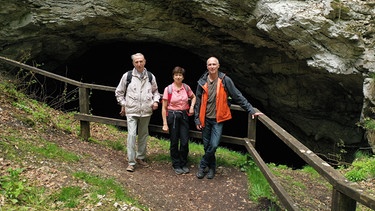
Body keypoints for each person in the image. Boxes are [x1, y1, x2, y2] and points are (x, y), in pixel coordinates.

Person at [194, 57, 263, 179]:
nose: (212, 67)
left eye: (214, 64)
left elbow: (237, 95)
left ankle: (202, 165)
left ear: (218, 65)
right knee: (206, 146)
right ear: (207, 66)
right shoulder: (202, 81)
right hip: (205, 118)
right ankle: (211, 168)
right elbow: (198, 102)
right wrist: (197, 119)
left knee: (214, 145)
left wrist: (250, 109)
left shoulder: (225, 80)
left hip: (218, 119)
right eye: (210, 64)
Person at [115, 53, 160, 172]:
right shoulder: (128, 76)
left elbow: (156, 92)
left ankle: (140, 157)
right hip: (132, 110)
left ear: (145, 61)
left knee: (143, 135)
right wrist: (123, 104)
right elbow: (119, 92)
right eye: (136, 62)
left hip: (146, 110)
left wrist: (155, 101)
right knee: (131, 135)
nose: (139, 64)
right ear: (133, 63)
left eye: (141, 61)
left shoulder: (150, 76)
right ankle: (131, 161)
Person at [161, 66, 196, 175]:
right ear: (173, 76)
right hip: (173, 116)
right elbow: (164, 107)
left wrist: (191, 107)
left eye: (180, 75)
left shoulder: (186, 87)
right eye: (176, 75)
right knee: (174, 141)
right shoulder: (169, 89)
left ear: (183, 77)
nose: (178, 77)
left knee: (185, 141)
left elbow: (193, 97)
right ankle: (176, 164)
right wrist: (165, 123)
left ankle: (183, 163)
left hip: (184, 115)